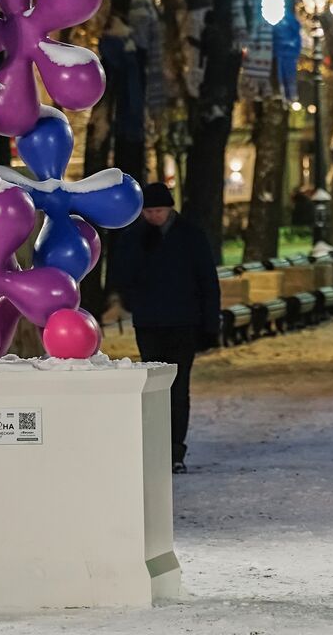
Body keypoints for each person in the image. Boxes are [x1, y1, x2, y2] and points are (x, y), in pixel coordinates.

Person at [110, 182, 221, 472]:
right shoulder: (134, 237)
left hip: (184, 322)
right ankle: (158, 446)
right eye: (148, 211)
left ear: (170, 208)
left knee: (178, 386)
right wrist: (133, 301)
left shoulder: (190, 235)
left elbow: (207, 280)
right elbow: (122, 275)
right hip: (149, 322)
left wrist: (210, 325)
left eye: (158, 211)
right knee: (155, 386)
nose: (153, 216)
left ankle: (175, 450)